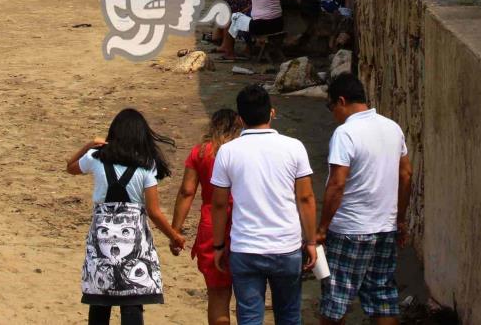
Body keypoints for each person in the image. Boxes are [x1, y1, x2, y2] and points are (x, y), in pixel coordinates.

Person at [66, 109, 186, 325]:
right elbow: (154, 212)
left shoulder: (96, 157)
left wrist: (88, 145)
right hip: (133, 241)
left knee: (99, 298)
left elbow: (70, 167)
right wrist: (174, 236)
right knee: (132, 298)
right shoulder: (146, 165)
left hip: (101, 242)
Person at [210, 84, 317, 324]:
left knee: (249, 316)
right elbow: (305, 198)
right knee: (289, 315)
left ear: (240, 118)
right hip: (286, 247)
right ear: (272, 112)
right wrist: (310, 241)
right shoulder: (294, 147)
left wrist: (218, 246)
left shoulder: (227, 152)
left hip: (246, 248)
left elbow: (219, 204)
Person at [316, 73, 413, 325]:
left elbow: (337, 184)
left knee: (335, 302)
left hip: (350, 229)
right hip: (384, 228)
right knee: (383, 298)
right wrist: (399, 219)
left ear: (341, 101)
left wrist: (323, 227)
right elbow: (406, 174)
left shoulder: (345, 133)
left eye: (330, 107)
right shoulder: (392, 128)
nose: (332, 113)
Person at [170, 109, 241, 325]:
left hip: (211, 225)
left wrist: (175, 230)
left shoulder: (201, 153)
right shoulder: (243, 151)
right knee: (249, 295)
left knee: (218, 296)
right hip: (243, 222)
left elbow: (187, 192)